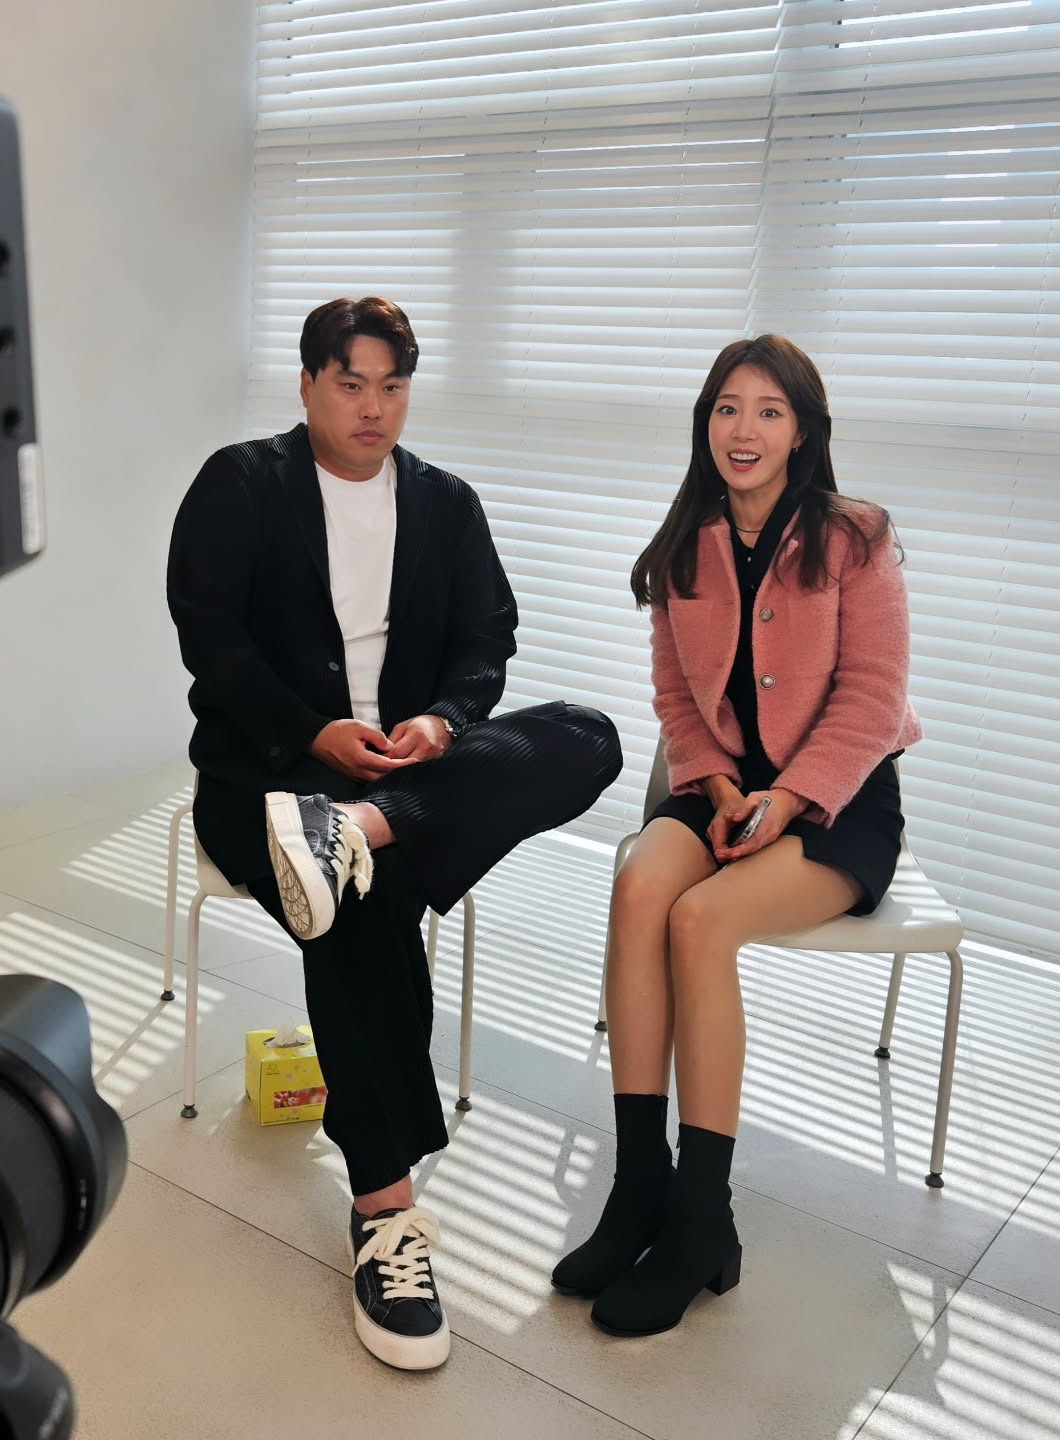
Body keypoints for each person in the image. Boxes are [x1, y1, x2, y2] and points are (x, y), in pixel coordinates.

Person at [168, 296, 622, 1371]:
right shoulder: (241, 482)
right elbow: (212, 643)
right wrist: (313, 732)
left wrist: (443, 723)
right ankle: (386, 1216)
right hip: (266, 777)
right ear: (308, 385)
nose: (373, 408)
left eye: (393, 386)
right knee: (364, 911)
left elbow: (488, 639)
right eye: (350, 384)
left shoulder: (446, 503)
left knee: (588, 735)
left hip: (406, 775)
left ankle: (367, 828)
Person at [552, 334, 922, 1337]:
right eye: (727, 408)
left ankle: (701, 1219)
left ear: (803, 431)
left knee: (700, 921)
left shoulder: (856, 538)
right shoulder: (687, 543)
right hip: (722, 786)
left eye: (768, 409)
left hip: (839, 803)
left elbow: (872, 700)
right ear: (705, 425)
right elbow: (678, 698)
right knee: (640, 887)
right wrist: (717, 787)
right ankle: (639, 1185)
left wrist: (786, 802)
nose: (743, 429)